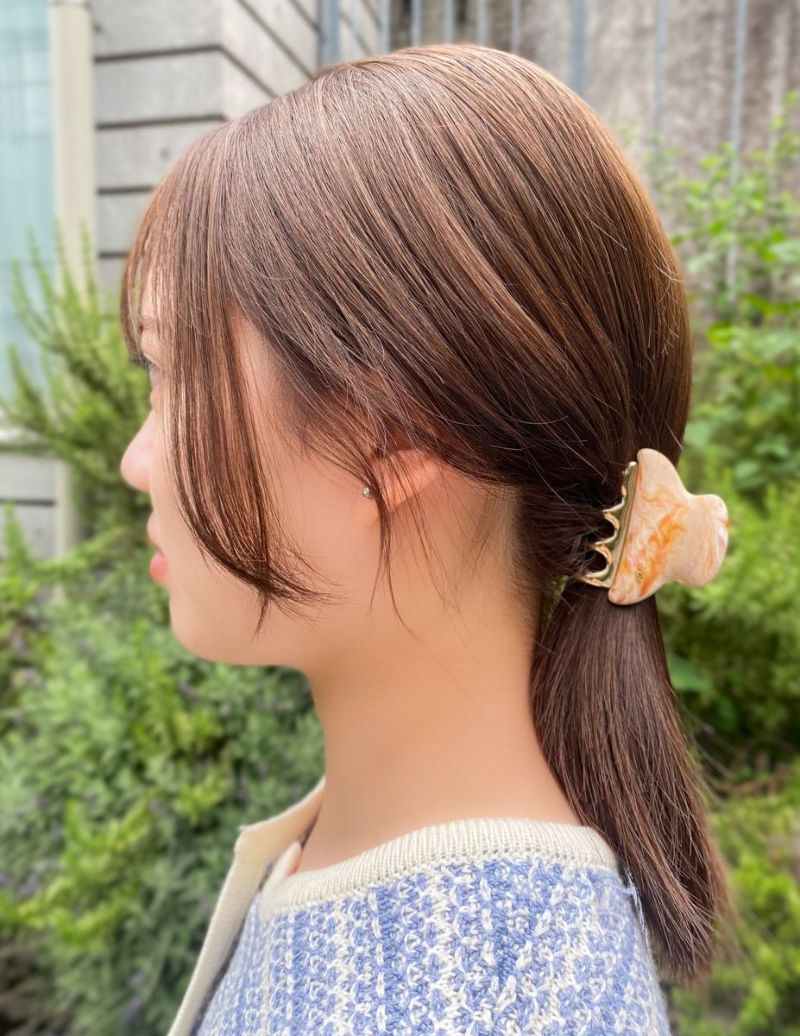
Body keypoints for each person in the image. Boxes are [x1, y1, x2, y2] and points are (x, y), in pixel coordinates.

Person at [118, 41, 735, 1035]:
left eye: (173, 373)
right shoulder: (382, 869)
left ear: (393, 434)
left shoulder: (517, 1001)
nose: (135, 461)